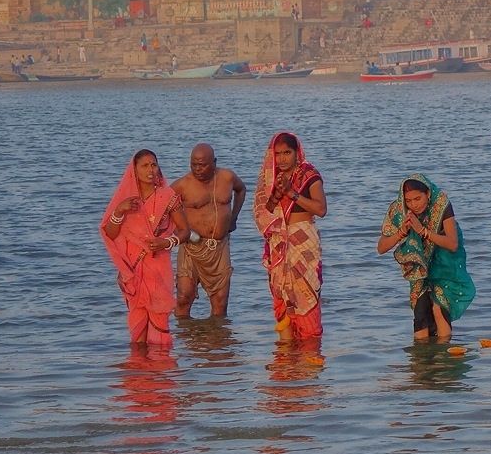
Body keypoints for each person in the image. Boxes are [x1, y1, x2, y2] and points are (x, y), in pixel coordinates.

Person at [100, 149, 189, 347]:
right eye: (145, 165)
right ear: (134, 170)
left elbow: (185, 231)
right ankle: (138, 373)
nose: (151, 170)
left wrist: (166, 242)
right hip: (133, 270)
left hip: (158, 267)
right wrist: (119, 211)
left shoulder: (168, 197)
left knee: (159, 324)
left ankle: (161, 369)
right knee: (138, 331)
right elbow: (110, 233)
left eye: (154, 165)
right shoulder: (126, 201)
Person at [377, 175, 475, 341]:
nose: (414, 205)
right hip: (420, 266)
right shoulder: (399, 211)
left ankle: (445, 356)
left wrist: (423, 231)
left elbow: (452, 244)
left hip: (445, 263)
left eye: (418, 198)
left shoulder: (441, 203)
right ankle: (420, 360)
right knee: (420, 311)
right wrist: (402, 231)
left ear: (428, 194)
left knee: (439, 307)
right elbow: (381, 247)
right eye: (409, 200)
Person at [254, 133, 327, 342]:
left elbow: (321, 209)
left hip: (303, 240)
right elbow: (264, 213)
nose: (283, 158)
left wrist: (292, 193)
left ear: (297, 153)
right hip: (279, 243)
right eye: (278, 154)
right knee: (283, 299)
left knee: (306, 292)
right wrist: (277, 193)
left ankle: (310, 352)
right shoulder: (270, 178)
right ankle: (285, 359)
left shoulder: (309, 174)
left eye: (287, 153)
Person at [173, 143, 247, 319]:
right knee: (184, 296)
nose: (197, 169)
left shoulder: (227, 177)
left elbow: (241, 189)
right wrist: (178, 228)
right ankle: (184, 340)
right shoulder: (182, 185)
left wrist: (234, 217)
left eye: (202, 165)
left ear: (214, 162)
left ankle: (218, 342)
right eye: (194, 164)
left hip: (219, 247)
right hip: (191, 247)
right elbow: (160, 207)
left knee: (220, 301)